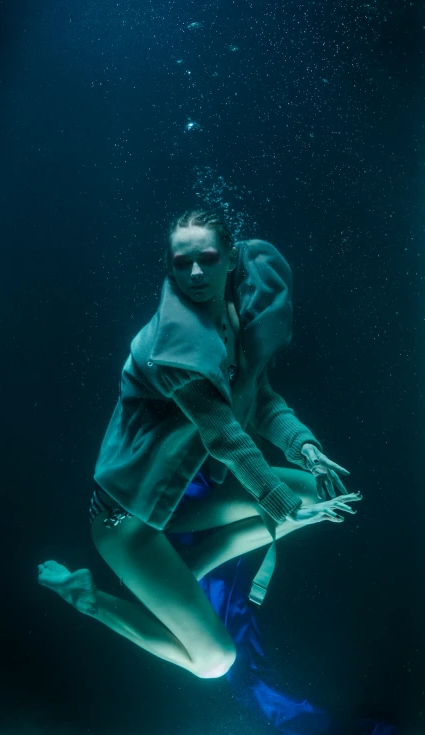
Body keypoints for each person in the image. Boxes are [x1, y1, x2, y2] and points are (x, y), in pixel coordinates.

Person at [38, 210, 361, 680]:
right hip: (127, 522)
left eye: (207, 258)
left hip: (184, 500)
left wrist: (305, 447)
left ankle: (184, 572)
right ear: (169, 267)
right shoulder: (171, 347)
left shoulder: (233, 314)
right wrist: (282, 506)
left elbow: (260, 398)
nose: (194, 272)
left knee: (318, 493)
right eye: (181, 262)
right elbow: (225, 436)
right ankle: (87, 598)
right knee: (215, 662)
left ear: (230, 259)